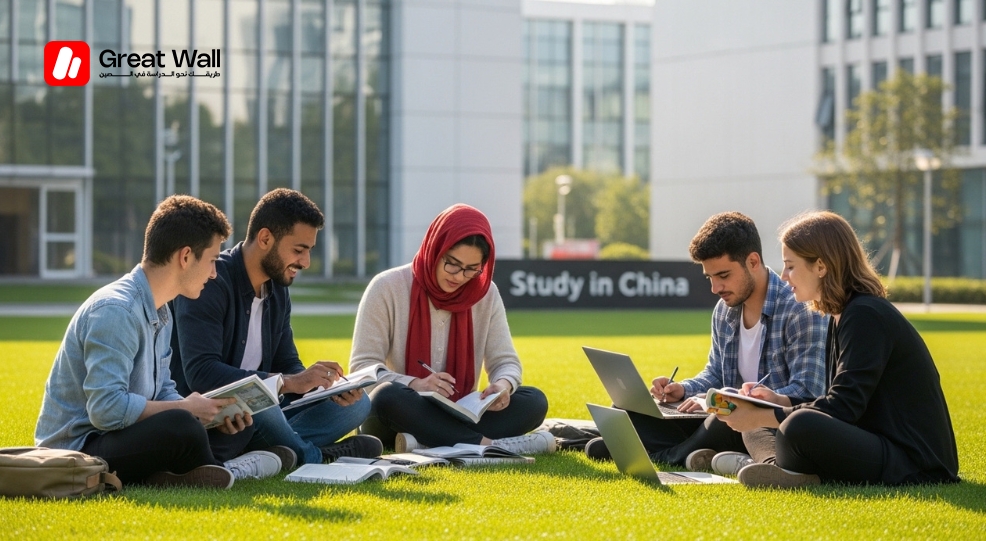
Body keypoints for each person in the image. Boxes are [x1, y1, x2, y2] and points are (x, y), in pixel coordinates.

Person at [35, 195, 282, 488]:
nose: (215, 274)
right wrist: (187, 411)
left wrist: (209, 415)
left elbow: (163, 389)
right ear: (186, 256)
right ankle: (221, 469)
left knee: (234, 425)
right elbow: (106, 410)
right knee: (181, 425)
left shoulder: (161, 309)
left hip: (122, 437)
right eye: (213, 260)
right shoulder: (116, 311)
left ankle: (185, 471)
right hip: (81, 451)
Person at [717, 211, 960, 488]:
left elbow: (843, 407)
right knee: (761, 423)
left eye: (791, 266)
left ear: (821, 266)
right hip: (874, 441)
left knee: (798, 426)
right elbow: (834, 400)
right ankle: (779, 469)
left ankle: (772, 465)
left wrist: (765, 414)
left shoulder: (865, 314)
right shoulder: (842, 314)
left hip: (913, 461)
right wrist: (777, 402)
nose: (784, 277)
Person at [585, 212, 828, 474]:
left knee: (722, 420)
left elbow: (806, 392)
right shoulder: (725, 309)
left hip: (764, 426)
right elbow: (715, 372)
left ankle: (669, 455)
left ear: (753, 261)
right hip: (720, 415)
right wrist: (684, 389)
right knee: (626, 408)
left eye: (723, 275)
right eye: (709, 277)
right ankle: (690, 451)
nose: (715, 288)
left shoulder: (800, 310)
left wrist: (729, 401)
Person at [171, 188, 381, 468]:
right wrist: (287, 382)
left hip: (260, 412)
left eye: (308, 251)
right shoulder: (211, 281)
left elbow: (287, 363)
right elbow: (200, 372)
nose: (305, 262)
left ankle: (277, 450)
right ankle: (315, 456)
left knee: (359, 404)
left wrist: (320, 386)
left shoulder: (277, 290)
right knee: (260, 401)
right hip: (213, 417)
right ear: (266, 238)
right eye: (298, 250)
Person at [350, 204, 555, 454]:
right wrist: (416, 384)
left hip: (462, 412)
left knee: (533, 401)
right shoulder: (386, 287)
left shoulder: (485, 294)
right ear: (436, 249)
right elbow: (362, 371)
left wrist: (502, 385)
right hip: (400, 412)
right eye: (452, 264)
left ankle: (426, 441)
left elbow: (506, 361)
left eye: (471, 269)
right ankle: (486, 446)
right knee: (387, 396)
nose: (459, 277)